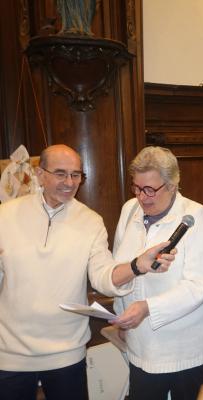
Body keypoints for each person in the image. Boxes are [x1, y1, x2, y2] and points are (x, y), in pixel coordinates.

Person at [0, 144, 175, 400]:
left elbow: (103, 276)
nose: (70, 182)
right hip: (10, 355)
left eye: (76, 175)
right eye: (60, 174)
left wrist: (137, 265)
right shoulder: (5, 216)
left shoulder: (91, 221)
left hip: (67, 353)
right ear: (40, 174)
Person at [111, 146, 203, 400]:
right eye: (137, 188)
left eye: (150, 189)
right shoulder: (130, 210)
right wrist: (120, 313)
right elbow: (120, 266)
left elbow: (198, 285)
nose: (142, 197)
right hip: (141, 343)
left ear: (173, 185)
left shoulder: (195, 216)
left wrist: (147, 307)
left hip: (185, 348)